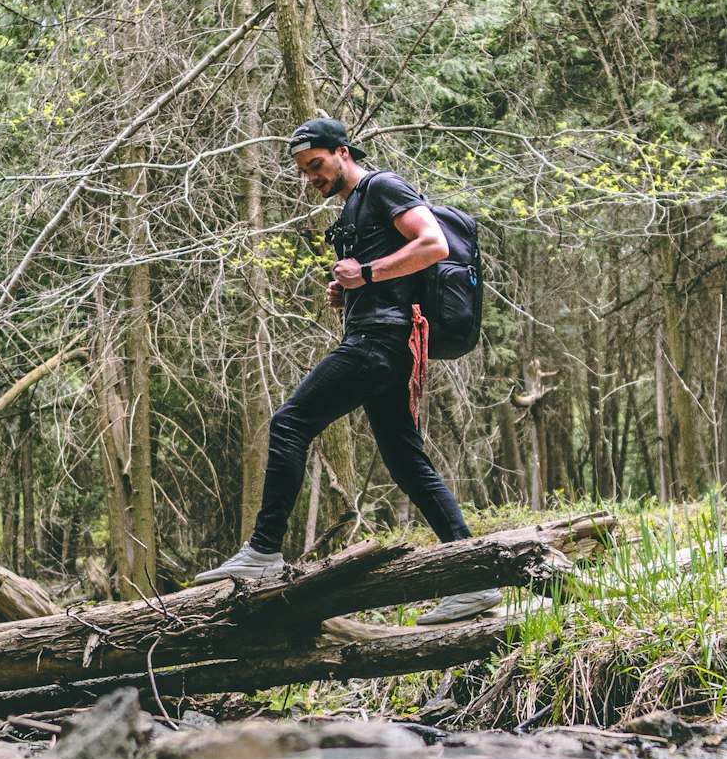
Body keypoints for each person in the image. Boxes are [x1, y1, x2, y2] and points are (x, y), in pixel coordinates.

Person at [193, 117, 500, 625]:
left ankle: (265, 551)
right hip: (390, 342)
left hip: (380, 342)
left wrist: (368, 274)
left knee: (291, 423)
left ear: (342, 152)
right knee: (406, 461)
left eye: (316, 165)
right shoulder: (354, 208)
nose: (311, 177)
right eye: (304, 171)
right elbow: (391, 268)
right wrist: (353, 287)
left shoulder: (381, 186)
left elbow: (434, 244)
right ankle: (474, 577)